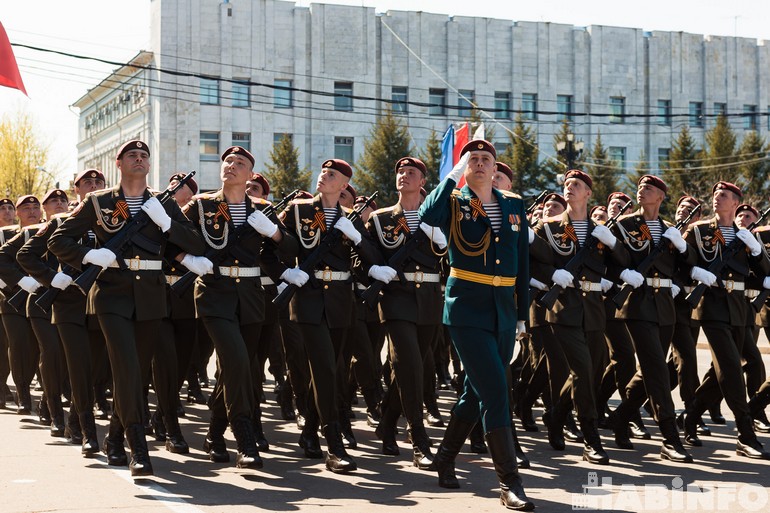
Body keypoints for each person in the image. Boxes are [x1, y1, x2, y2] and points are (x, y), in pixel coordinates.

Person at [48, 139, 206, 477]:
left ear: (149, 165)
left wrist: (166, 223)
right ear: (118, 163)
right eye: (132, 155)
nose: (139, 159)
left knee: (134, 370)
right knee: (126, 367)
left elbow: (195, 243)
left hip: (150, 294)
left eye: (144, 155)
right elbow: (57, 240)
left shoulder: (161, 204)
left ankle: (116, 436)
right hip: (111, 293)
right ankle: (139, 446)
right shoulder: (98, 201)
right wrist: (88, 256)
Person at [420, 140, 534, 511]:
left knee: (476, 391)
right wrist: (451, 177)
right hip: (467, 310)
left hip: (503, 310)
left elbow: (522, 263)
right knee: (497, 390)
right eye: (473, 159)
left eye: (487, 159)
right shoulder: (454, 201)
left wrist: (521, 313)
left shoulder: (514, 204)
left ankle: (445, 456)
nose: (481, 164)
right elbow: (426, 216)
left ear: (496, 166)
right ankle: (509, 482)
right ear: (465, 167)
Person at [180, 146, 289, 469]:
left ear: (250, 174)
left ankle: (214, 433)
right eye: (227, 161)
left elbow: (285, 250)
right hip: (215, 293)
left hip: (252, 297)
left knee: (235, 369)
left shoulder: (262, 210)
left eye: (239, 163)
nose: (231, 165)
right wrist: (187, 260)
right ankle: (243, 436)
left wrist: (275, 233)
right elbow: (169, 239)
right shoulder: (201, 207)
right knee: (239, 361)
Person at [278, 158, 379, 474]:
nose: (323, 176)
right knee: (324, 368)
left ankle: (308, 432)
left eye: (332, 174)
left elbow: (372, 257)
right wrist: (285, 271)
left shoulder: (349, 218)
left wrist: (358, 236)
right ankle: (333, 445)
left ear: (344, 185)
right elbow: (270, 246)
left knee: (328, 370)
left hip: (340, 303)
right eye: (322, 171)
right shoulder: (297, 210)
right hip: (308, 299)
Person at [530, 169, 629, 466]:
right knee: (584, 372)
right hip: (563, 308)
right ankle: (591, 439)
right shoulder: (548, 227)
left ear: (588, 192)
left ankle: (555, 415)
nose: (569, 188)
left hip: (595, 311)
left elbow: (622, 264)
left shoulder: (600, 230)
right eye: (566, 184)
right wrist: (550, 274)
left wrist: (612, 244)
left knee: (589, 373)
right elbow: (530, 262)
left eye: (577, 185)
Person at [17, 170, 107, 456]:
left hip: (103, 302)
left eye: (99, 183)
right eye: (87, 184)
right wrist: (48, 278)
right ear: (77, 190)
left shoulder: (114, 221)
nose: (94, 187)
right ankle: (80, 426)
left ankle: (79, 420)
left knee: (96, 369)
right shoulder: (59, 222)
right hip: (67, 303)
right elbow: (23, 255)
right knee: (72, 364)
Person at [606, 175, 693, 463]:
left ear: (661, 197)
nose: (643, 191)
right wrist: (622, 274)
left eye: (650, 189)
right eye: (641, 187)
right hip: (637, 304)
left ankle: (621, 417)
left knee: (651, 372)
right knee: (656, 367)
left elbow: (688, 265)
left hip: (665, 306)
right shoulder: (625, 225)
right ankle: (669, 437)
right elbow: (609, 262)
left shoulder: (671, 229)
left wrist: (682, 248)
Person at [681, 181, 770, 459]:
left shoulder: (746, 236)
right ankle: (745, 434)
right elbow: (682, 264)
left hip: (740, 310)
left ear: (736, 202)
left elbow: (764, 272)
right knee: (731, 368)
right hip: (713, 308)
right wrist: (697, 271)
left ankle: (692, 413)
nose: (717, 199)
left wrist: (756, 251)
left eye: (724, 196)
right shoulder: (699, 230)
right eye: (716, 195)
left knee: (725, 371)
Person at [366, 156, 444, 470]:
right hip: (396, 297)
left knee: (410, 369)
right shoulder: (381, 218)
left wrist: (441, 237)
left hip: (428, 299)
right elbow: (365, 257)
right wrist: (373, 268)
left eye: (411, 172)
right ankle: (418, 438)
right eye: (400, 171)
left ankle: (386, 424)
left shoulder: (437, 218)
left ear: (422, 182)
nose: (404, 176)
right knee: (410, 362)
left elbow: (448, 256)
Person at [0, 195, 43, 415]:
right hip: (12, 299)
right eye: (26, 208)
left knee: (37, 348)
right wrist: (18, 282)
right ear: (18, 213)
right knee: (17, 345)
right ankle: (23, 394)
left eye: (36, 207)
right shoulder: (7, 235)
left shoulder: (48, 233)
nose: (32, 211)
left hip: (41, 301)